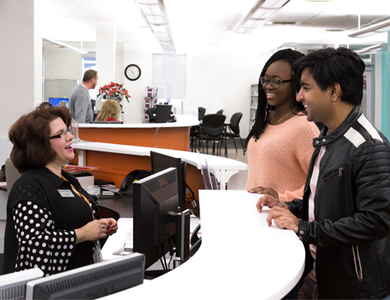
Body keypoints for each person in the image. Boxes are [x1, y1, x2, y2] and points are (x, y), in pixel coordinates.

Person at [257, 47, 390, 299]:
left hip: (355, 286)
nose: (299, 96)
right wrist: (289, 206)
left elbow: (377, 221)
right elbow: (325, 200)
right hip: (324, 272)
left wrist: (306, 229)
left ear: (333, 91)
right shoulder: (328, 135)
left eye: (306, 88)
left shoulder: (367, 146)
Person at [4, 102, 118, 276]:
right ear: (39, 145)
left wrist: (100, 227)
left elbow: (70, 217)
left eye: (67, 131)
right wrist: (82, 234)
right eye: (60, 134)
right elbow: (35, 245)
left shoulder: (65, 178)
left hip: (77, 279)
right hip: (47, 289)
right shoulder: (28, 188)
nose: (70, 137)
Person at [245, 49, 319, 202]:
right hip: (255, 212)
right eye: (265, 80)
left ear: (296, 84)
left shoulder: (305, 128)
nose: (268, 86)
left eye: (276, 81)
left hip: (282, 217)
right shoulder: (261, 121)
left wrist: (281, 197)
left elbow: (320, 185)